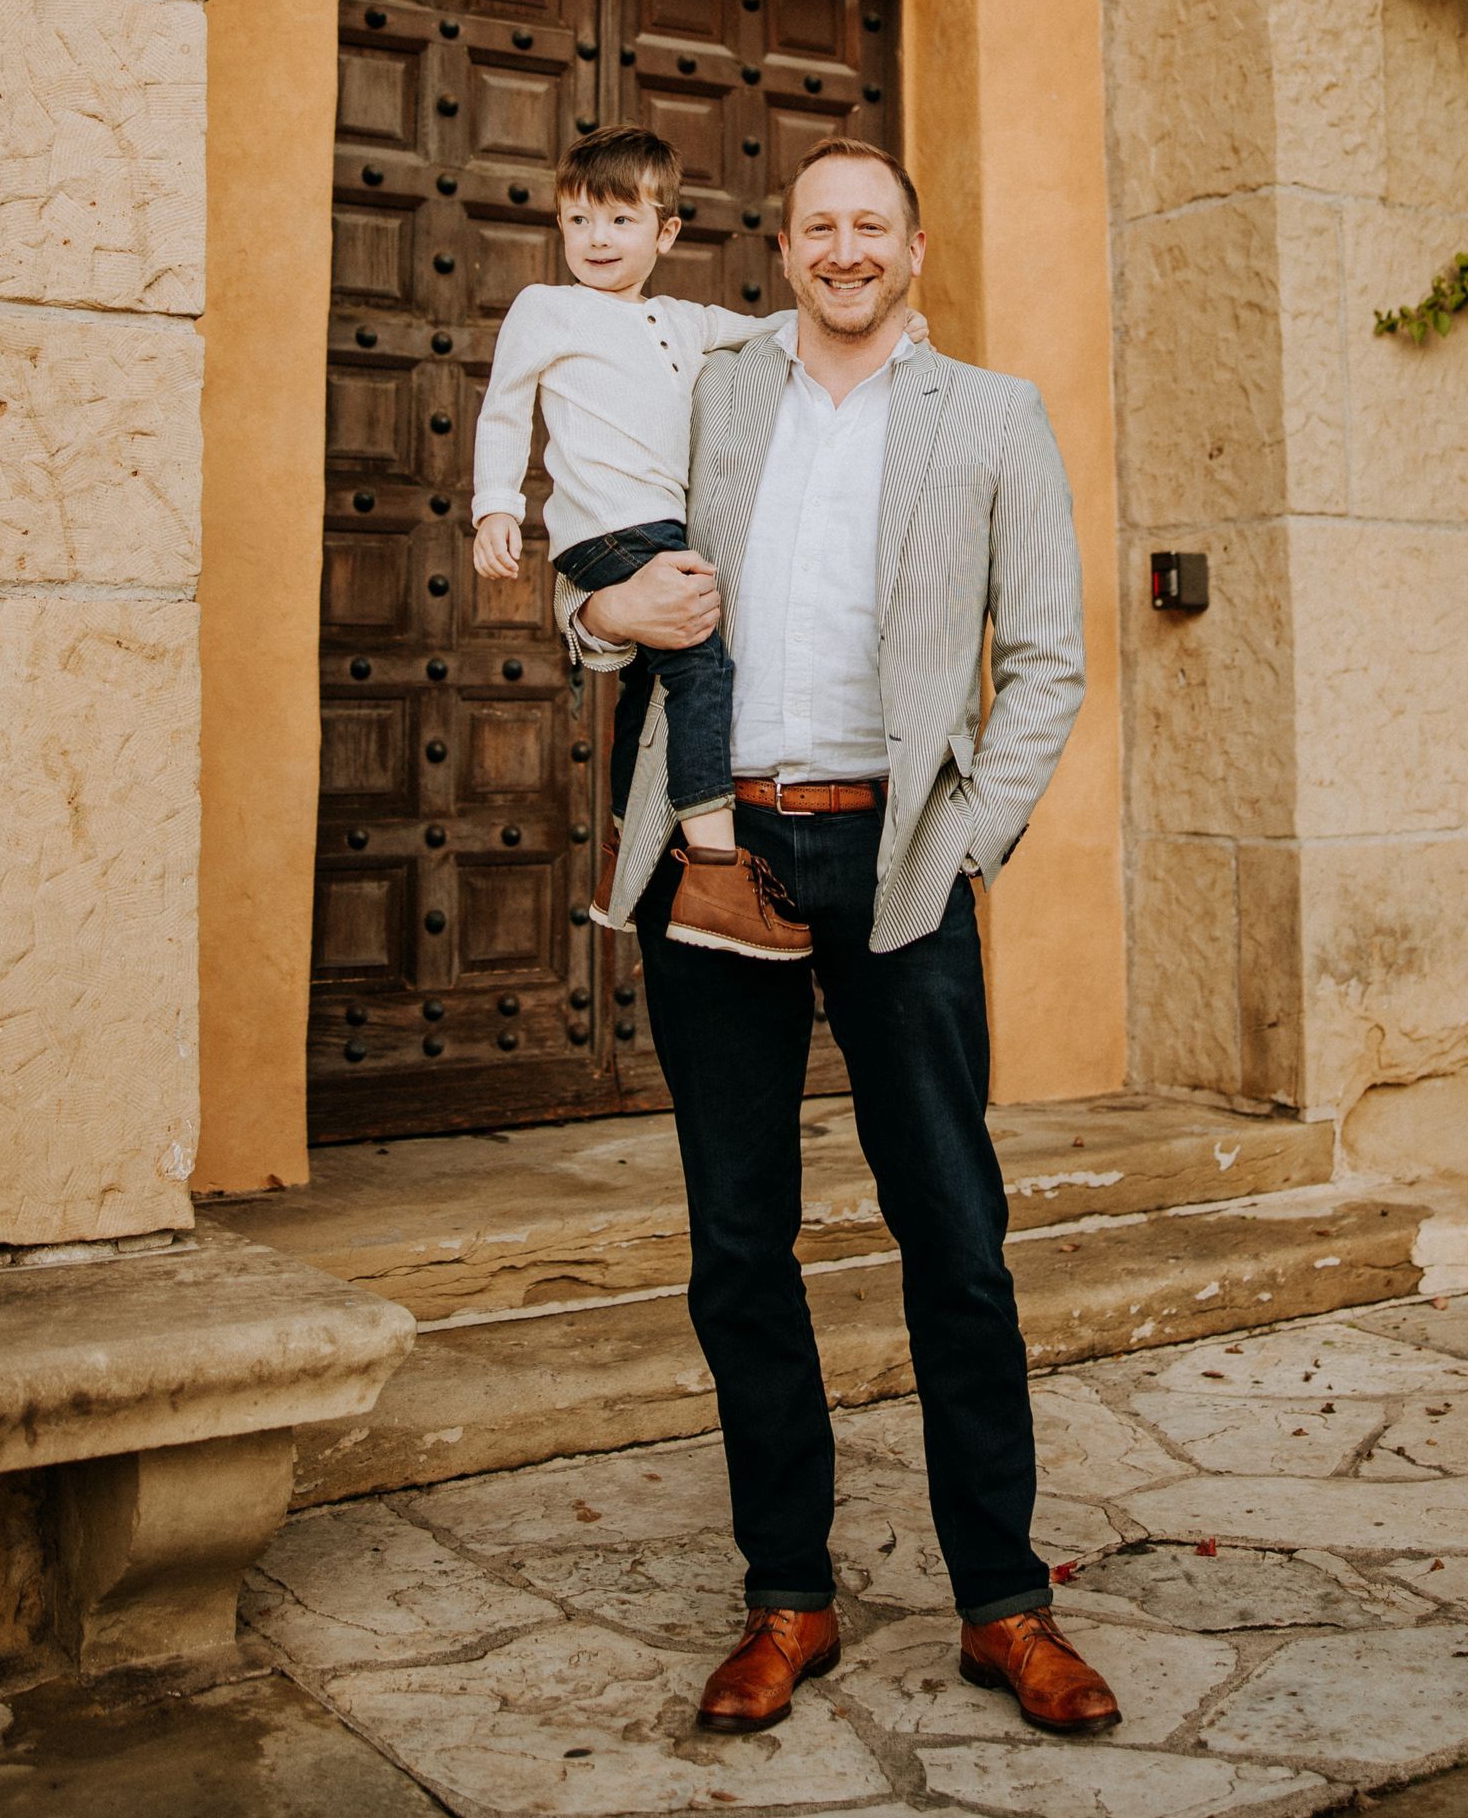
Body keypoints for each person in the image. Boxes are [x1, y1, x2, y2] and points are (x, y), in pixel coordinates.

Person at [560, 135, 1119, 1740]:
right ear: (787, 248)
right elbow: (601, 557)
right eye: (821, 226)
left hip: (903, 857)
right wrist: (598, 617)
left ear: (913, 251)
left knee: (955, 1232)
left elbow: (1049, 658)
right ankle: (786, 1597)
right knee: (740, 1241)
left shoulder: (993, 416)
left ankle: (1004, 1605)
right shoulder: (713, 390)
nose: (847, 248)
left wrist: (970, 842)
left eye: (874, 225)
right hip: (718, 848)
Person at [471, 124, 796, 959]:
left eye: (620, 220)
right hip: (606, 530)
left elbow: (775, 329)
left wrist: (888, 331)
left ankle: (627, 847)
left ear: (666, 232)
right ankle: (717, 870)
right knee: (702, 664)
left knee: (653, 685)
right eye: (579, 220)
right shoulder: (546, 308)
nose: (597, 238)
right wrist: (496, 506)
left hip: (662, 528)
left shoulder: (683, 321)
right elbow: (504, 407)